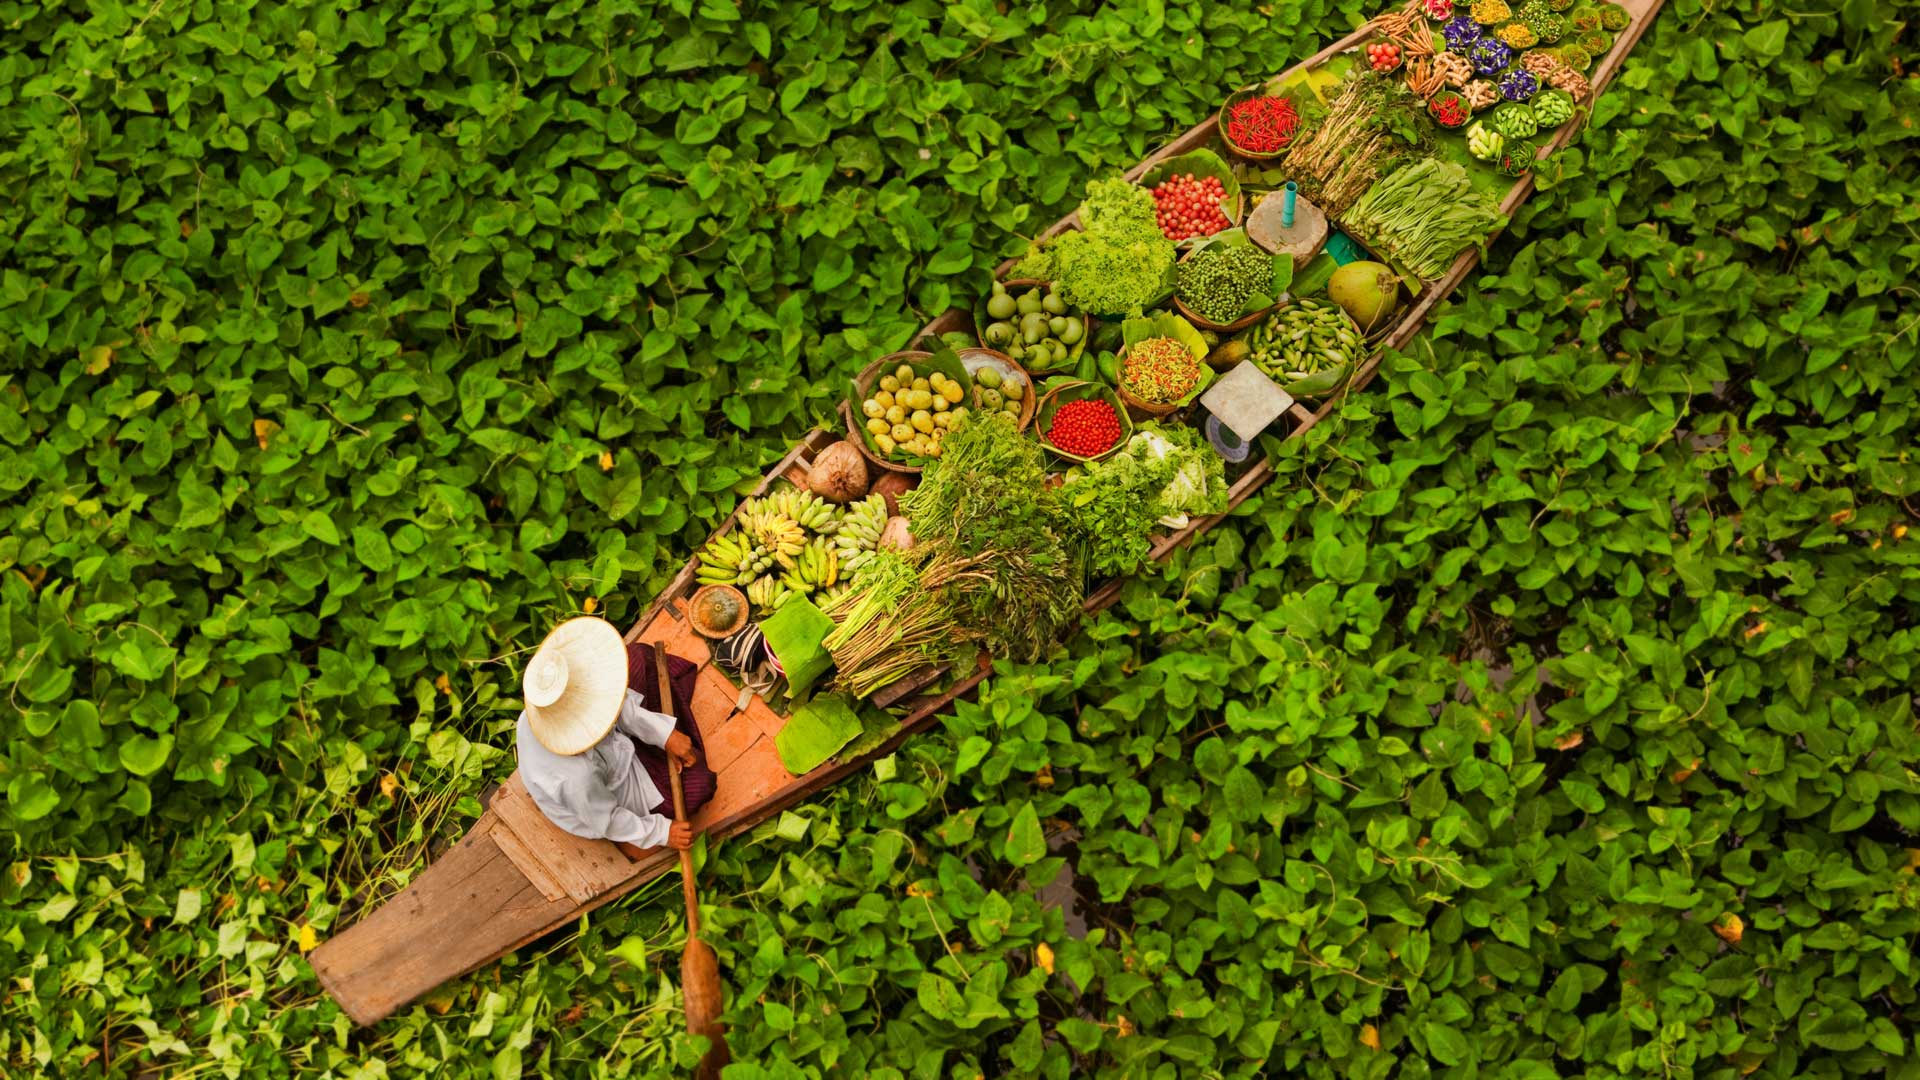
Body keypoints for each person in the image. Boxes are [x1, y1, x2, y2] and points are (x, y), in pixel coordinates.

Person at [515, 616, 718, 853]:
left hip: (614, 746)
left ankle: (664, 741)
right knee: (700, 783)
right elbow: (608, 820)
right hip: (618, 788)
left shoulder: (554, 701)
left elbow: (615, 703)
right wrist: (661, 832)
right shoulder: (576, 780)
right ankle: (658, 758)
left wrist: (664, 735)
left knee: (638, 657)